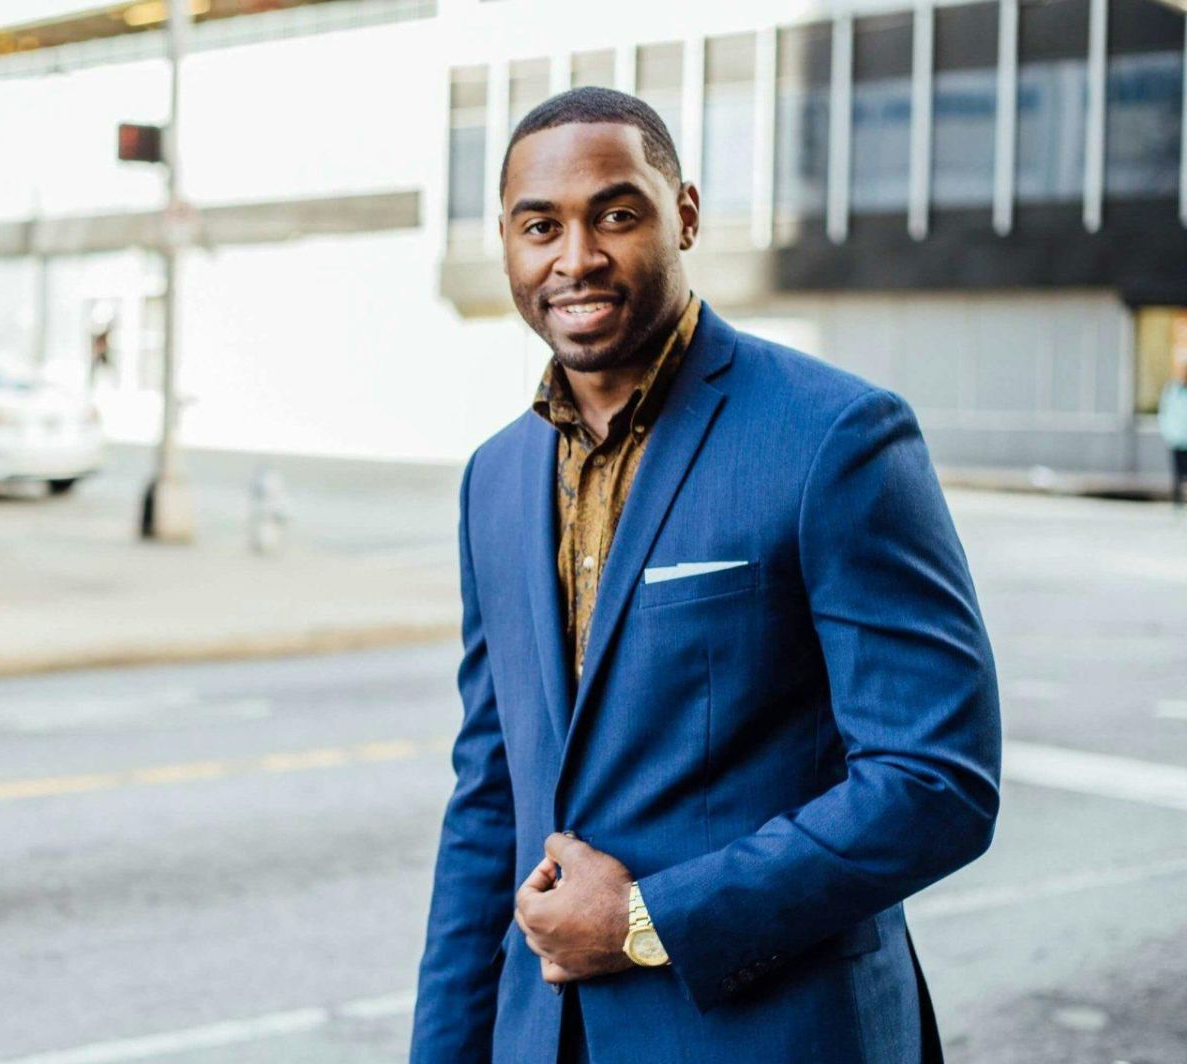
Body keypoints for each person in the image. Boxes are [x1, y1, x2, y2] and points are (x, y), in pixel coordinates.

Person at [410, 87, 1001, 1064]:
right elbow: (490, 801)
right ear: (505, 244)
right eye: (539, 225)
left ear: (683, 213)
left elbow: (936, 781)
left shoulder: (834, 435)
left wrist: (648, 917)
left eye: (616, 212)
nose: (576, 257)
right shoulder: (495, 478)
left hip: (774, 1035)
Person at [1159, 352, 1187, 510]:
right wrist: (1168, 431)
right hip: (1176, 437)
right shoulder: (1172, 389)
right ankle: (1177, 502)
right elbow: (1165, 412)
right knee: (1177, 473)